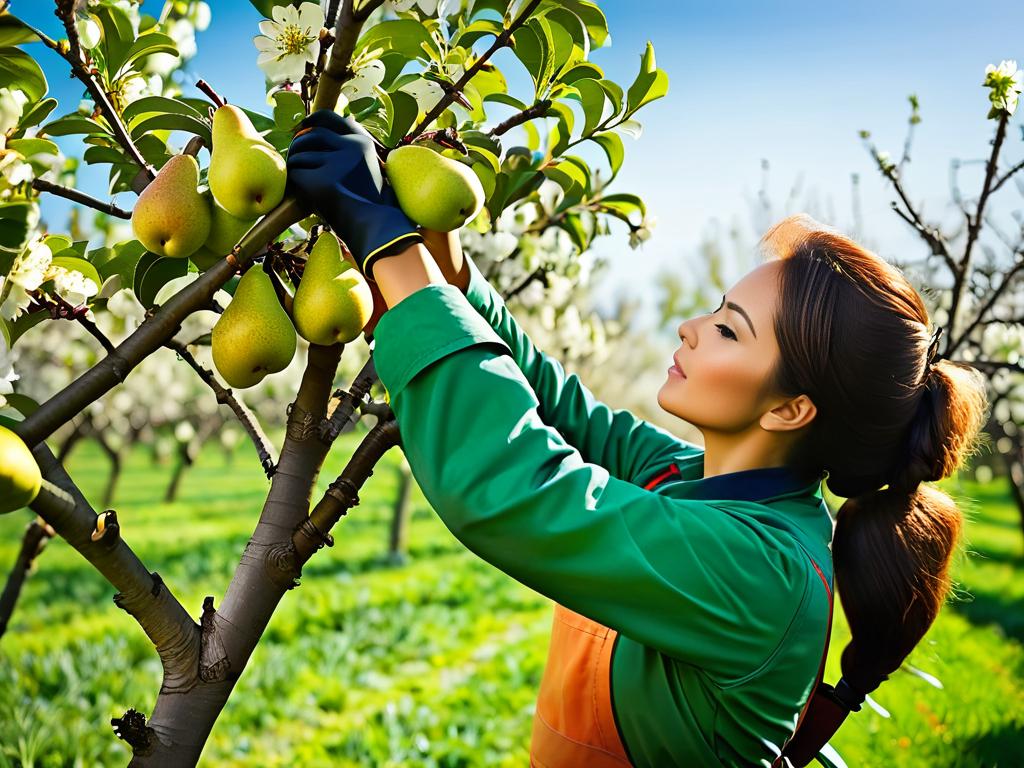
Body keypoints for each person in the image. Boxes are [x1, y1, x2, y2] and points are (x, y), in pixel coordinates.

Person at [285, 111, 990, 768]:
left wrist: (382, 235)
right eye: (716, 308)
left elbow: (520, 489)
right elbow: (565, 414)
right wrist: (440, 253)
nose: (690, 326)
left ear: (791, 409)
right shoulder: (690, 479)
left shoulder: (762, 571)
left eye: (727, 328)